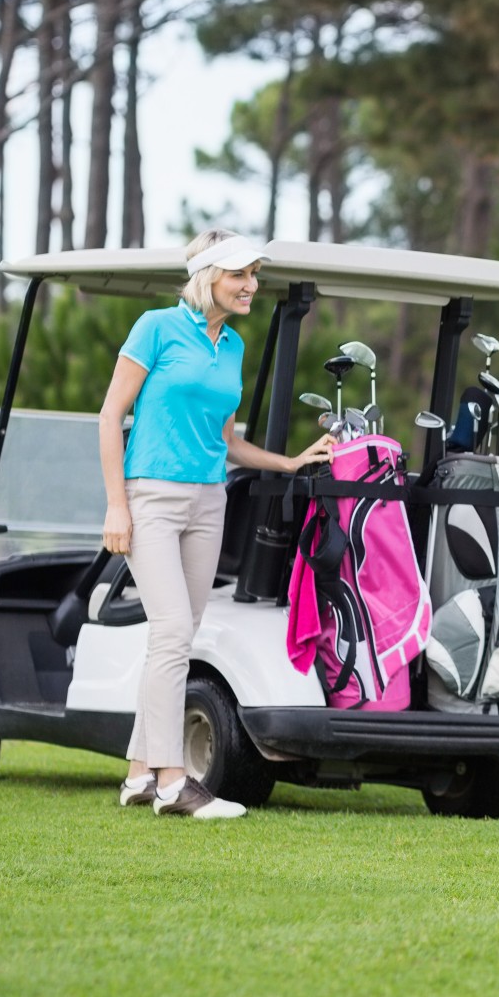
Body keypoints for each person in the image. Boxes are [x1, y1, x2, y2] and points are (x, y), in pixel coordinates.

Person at [100, 230, 331, 818]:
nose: (251, 285)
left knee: (177, 636)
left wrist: (288, 461)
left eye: (255, 274)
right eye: (240, 274)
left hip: (208, 503)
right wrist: (116, 505)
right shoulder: (155, 328)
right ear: (208, 276)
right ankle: (175, 783)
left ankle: (136, 773)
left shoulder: (232, 347)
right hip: (149, 496)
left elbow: (226, 441)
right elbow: (110, 417)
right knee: (174, 629)